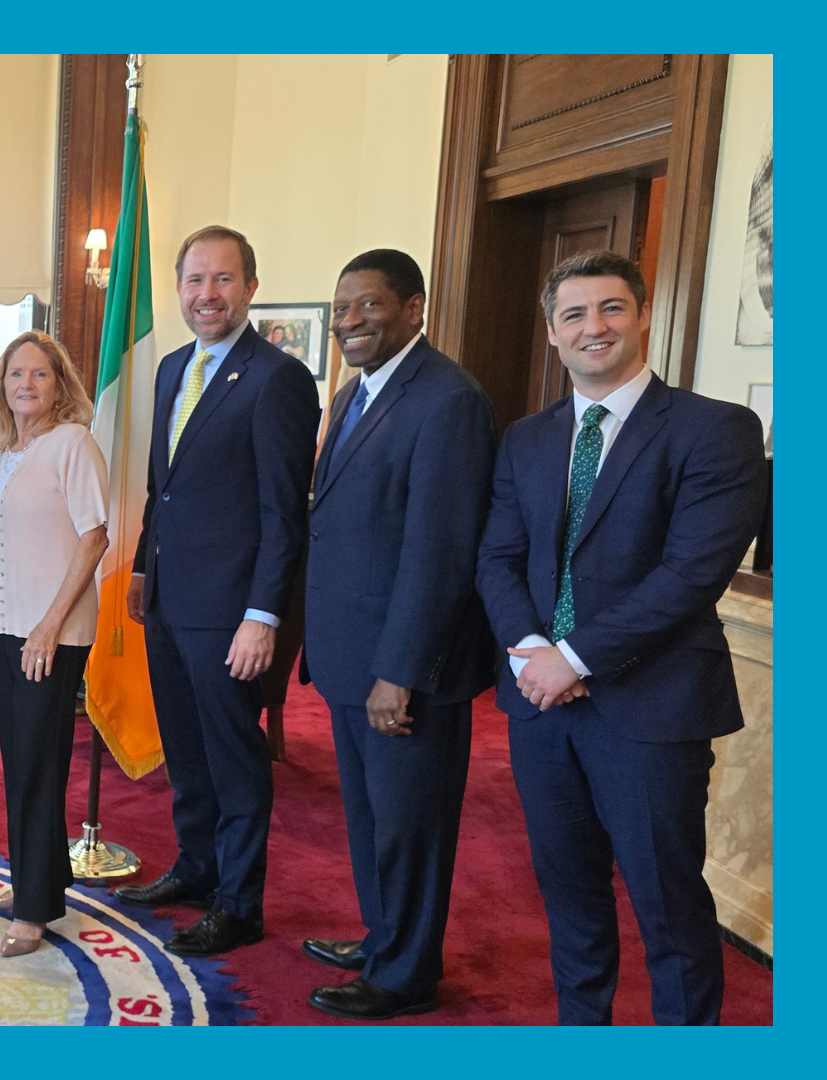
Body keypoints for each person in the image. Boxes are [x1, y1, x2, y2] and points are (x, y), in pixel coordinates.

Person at [476, 250, 768, 1025]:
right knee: (568, 893)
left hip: (652, 707)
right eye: (573, 314)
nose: (593, 327)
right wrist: (532, 654)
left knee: (667, 905)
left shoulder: (715, 429)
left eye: (610, 308)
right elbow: (498, 557)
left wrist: (572, 658)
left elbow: (691, 574)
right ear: (552, 332)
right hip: (542, 707)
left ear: (642, 316)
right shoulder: (526, 438)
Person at [298, 249, 497, 1020]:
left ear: (414, 308)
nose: (350, 321)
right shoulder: (354, 393)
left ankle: (405, 974)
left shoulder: (449, 400)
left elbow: (440, 551)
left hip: (403, 671)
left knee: (411, 828)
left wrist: (400, 671)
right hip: (350, 655)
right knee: (372, 820)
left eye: (369, 305)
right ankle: (384, 938)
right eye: (341, 307)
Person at [114, 226, 320, 958]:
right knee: (186, 748)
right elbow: (162, 486)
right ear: (179, 289)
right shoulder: (174, 368)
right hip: (169, 599)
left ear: (250, 288)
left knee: (234, 756)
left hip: (231, 611)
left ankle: (239, 904)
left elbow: (283, 512)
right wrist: (144, 567)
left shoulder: (278, 378)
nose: (207, 295)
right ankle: (197, 868)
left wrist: (263, 615)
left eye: (223, 279)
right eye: (195, 280)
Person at [0, 331, 108, 957]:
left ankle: (33, 910)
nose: (25, 384)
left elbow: (94, 537)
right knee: (23, 760)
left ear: (60, 385)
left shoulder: (72, 443)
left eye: (39, 374)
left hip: (49, 629)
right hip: (6, 625)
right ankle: (40, 881)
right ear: (2, 386)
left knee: (36, 762)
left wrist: (50, 625)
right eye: (15, 374)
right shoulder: (2, 456)